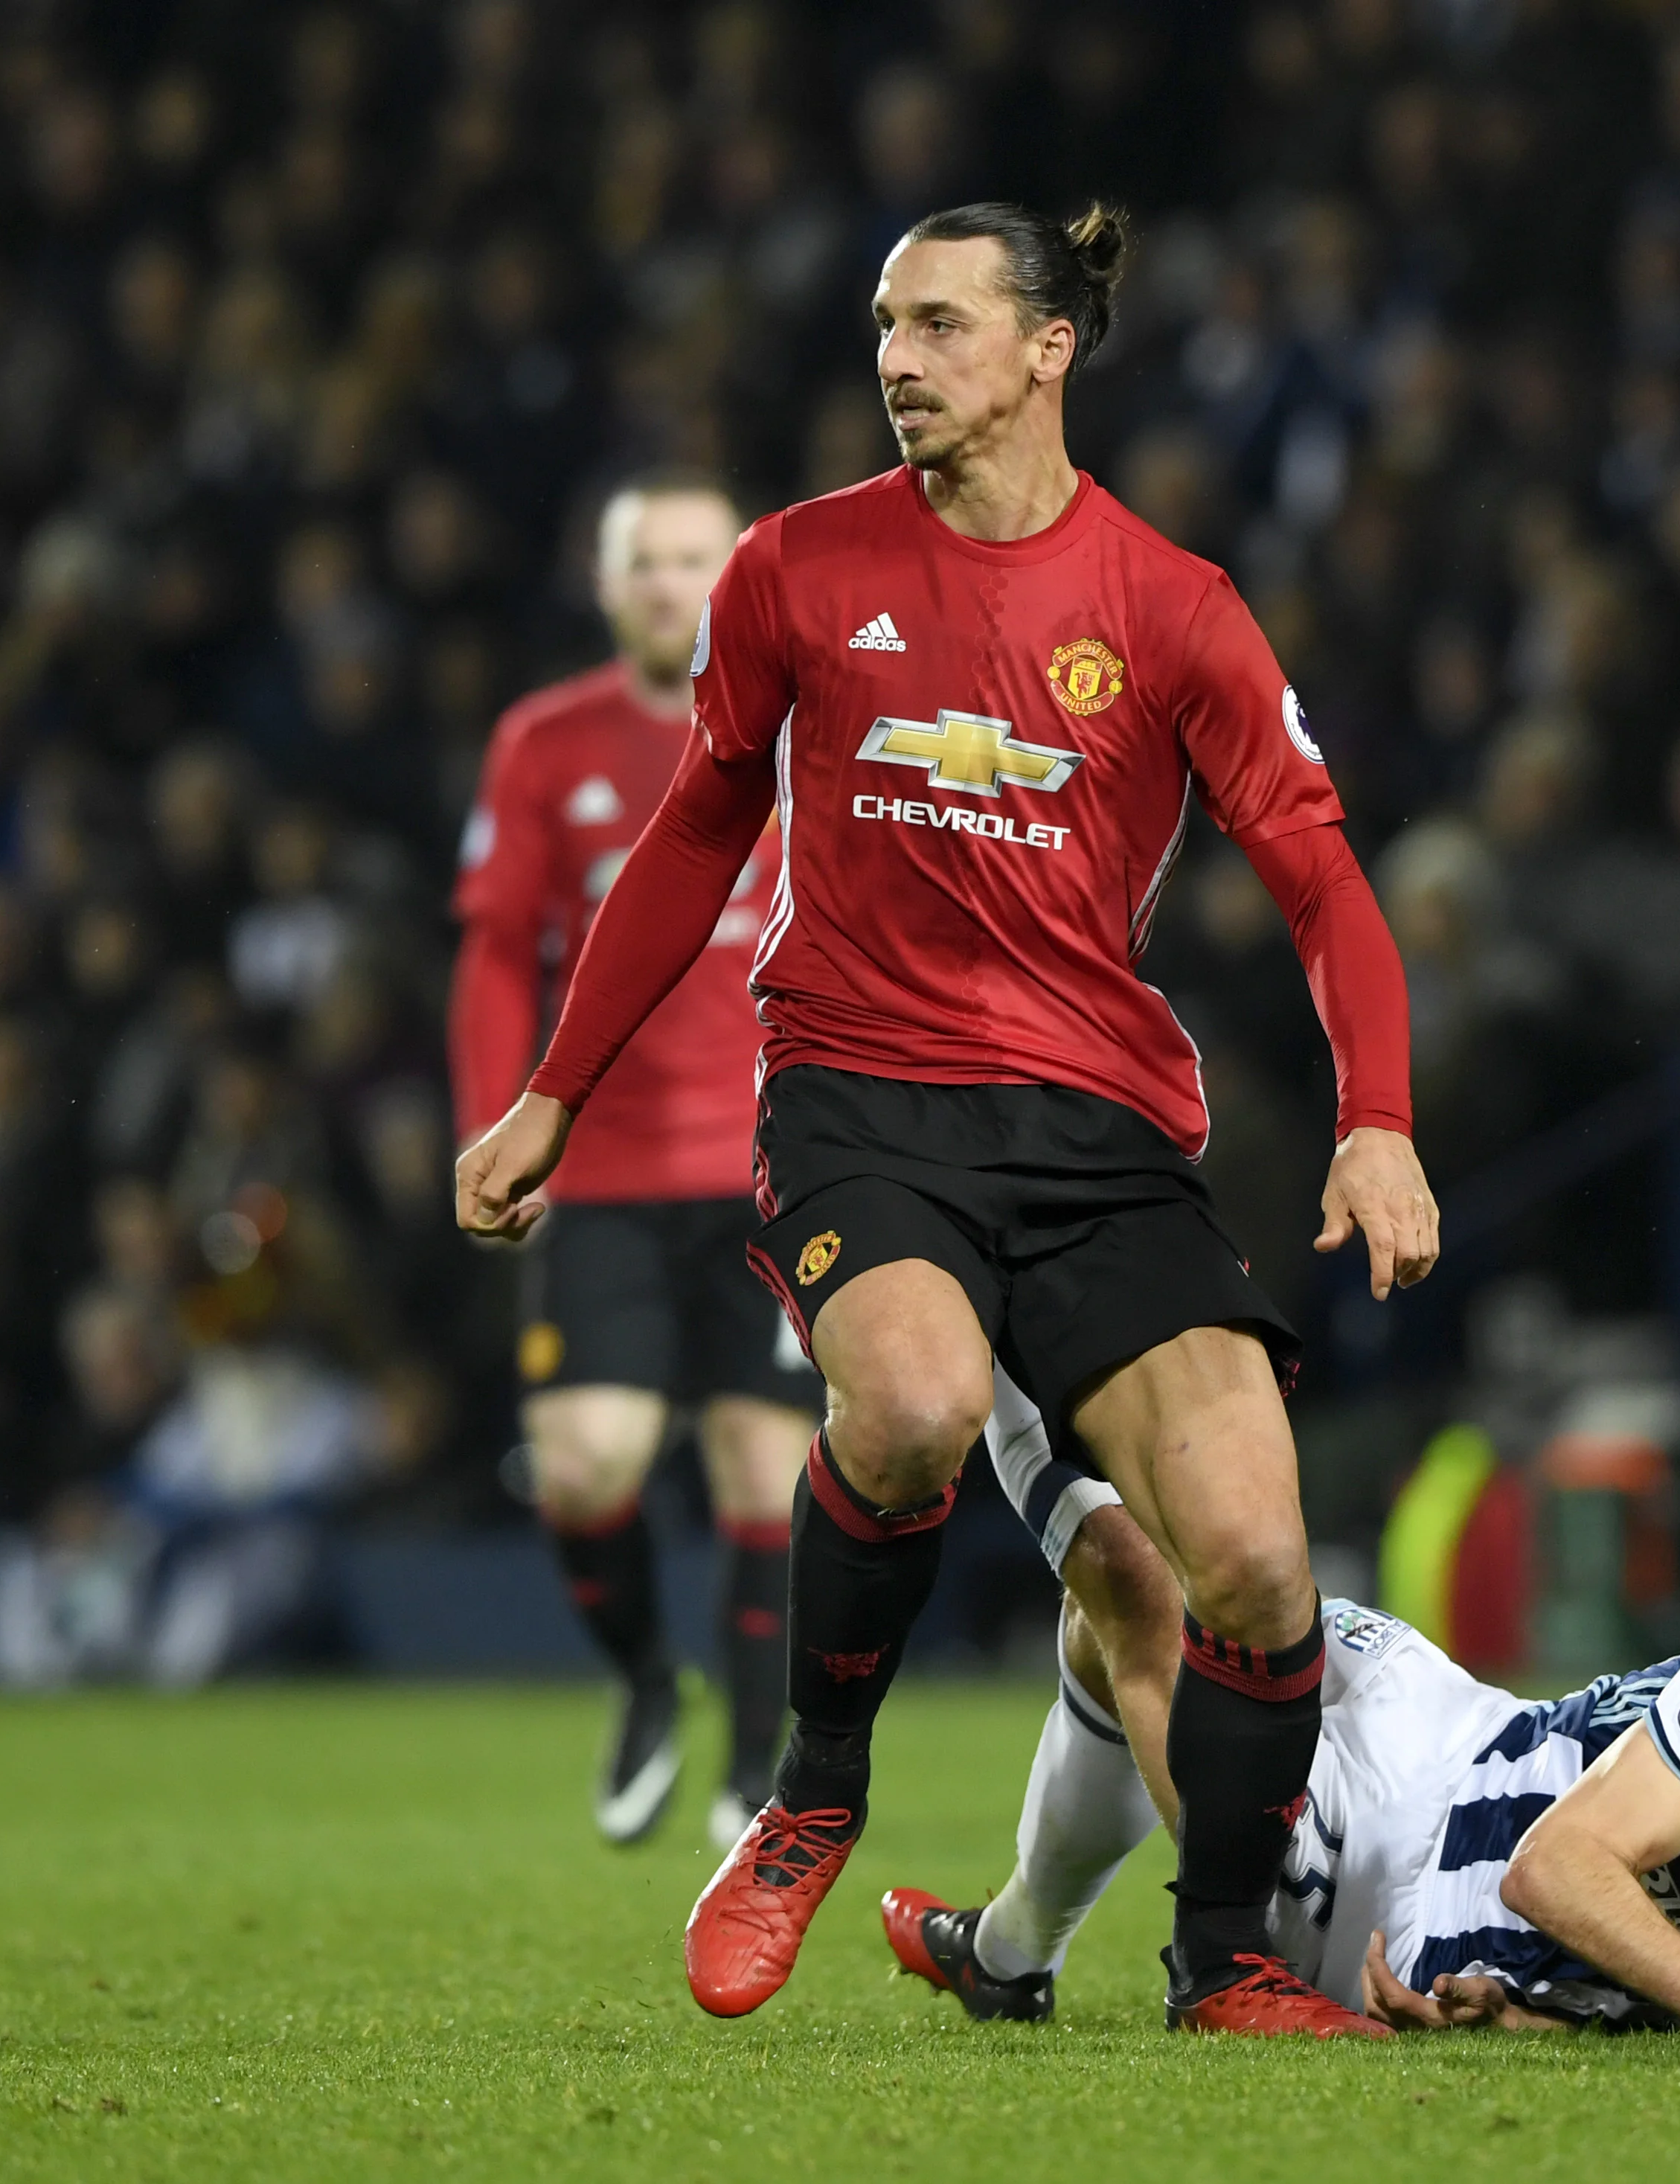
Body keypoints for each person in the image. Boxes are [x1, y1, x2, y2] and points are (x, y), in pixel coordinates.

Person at [452, 202, 1437, 2038]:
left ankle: (1219, 1960)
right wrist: (553, 1095)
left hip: (1097, 1131)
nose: (894, 358)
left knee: (1251, 1559)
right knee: (900, 1402)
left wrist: (1374, 1119)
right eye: (881, 327)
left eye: (935, 324)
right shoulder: (794, 570)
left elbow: (1317, 875)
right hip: (857, 1096)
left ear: (1047, 347)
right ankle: (810, 1797)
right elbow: (690, 839)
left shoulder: (1170, 607)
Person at [879, 1580, 1680, 2034]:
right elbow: (1560, 1865)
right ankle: (1014, 1948)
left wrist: (1508, 2024)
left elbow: (1618, 2006)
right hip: (1441, 1740)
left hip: (1377, 1903)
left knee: (1127, 1604)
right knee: (1160, 1586)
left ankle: (1035, 1955)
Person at [446, 475, 816, 1850]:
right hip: (602, 1168)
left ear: (735, 578)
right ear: (609, 589)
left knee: (762, 1473)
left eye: (692, 560)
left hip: (771, 1164)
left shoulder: (801, 731)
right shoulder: (547, 743)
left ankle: (752, 1766)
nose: (669, 585)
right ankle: (646, 1685)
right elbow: (495, 952)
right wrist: (498, 1120)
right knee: (587, 1464)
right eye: (644, 563)